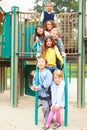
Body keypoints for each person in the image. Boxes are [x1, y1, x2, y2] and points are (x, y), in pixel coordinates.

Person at [32, 57, 53, 125]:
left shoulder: (48, 72)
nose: (40, 63)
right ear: (37, 64)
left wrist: (39, 87)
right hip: (42, 94)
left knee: (50, 106)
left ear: (45, 64)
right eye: (39, 62)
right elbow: (34, 81)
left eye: (42, 62)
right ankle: (47, 120)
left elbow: (48, 82)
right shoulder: (36, 73)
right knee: (45, 107)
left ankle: (50, 118)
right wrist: (35, 86)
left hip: (49, 93)